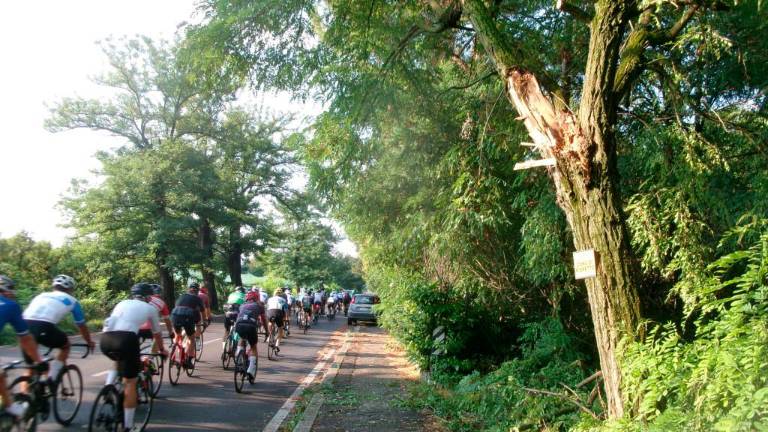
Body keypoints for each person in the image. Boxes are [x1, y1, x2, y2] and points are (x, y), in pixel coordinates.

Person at [101, 283, 167, 432]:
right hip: (127, 339)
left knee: (117, 362)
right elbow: (157, 334)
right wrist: (162, 350)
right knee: (130, 382)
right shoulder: (150, 308)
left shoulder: (122, 302)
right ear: (148, 296)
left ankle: (108, 388)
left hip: (105, 339)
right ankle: (128, 426)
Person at [22, 274, 95, 380]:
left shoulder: (41, 295)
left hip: (23, 327)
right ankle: (52, 378)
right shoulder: (72, 300)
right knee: (65, 346)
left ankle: (22, 395)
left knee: (31, 367)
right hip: (44, 327)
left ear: (54, 287)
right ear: (70, 289)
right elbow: (81, 325)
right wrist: (89, 342)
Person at [0, 276, 45, 419]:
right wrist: (39, 361)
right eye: (11, 289)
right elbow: (25, 338)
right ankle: (11, 407)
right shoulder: (10, 305)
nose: (12, 293)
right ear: (6, 290)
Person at [234, 290, 268, 378]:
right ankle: (251, 369)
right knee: (253, 347)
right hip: (251, 326)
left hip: (239, 324)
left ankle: (239, 357)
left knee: (242, 339)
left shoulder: (242, 305)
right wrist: (267, 331)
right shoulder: (259, 306)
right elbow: (264, 320)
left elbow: (238, 317)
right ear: (257, 298)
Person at [170, 282, 205, 366]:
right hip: (187, 316)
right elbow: (203, 311)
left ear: (188, 289)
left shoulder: (181, 296)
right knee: (192, 339)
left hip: (174, 315)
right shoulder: (197, 298)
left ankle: (175, 352)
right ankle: (189, 360)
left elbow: (176, 305)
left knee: (177, 336)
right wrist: (206, 320)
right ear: (197, 291)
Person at [137, 284, 173, 352]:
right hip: (149, 328)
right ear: (160, 293)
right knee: (158, 337)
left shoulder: (139, 299)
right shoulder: (162, 303)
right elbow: (167, 321)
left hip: (135, 326)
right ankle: (151, 357)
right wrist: (171, 333)